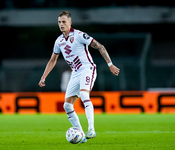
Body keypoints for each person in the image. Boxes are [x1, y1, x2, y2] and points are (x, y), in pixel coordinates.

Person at [38, 11, 120, 143]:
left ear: (70, 22)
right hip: (75, 73)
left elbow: (100, 46)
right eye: (59, 22)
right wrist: (43, 77)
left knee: (84, 95)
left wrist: (110, 64)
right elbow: (52, 60)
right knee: (67, 106)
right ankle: (81, 135)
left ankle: (91, 129)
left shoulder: (79, 35)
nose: (61, 24)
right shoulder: (59, 41)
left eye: (64, 22)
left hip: (87, 69)